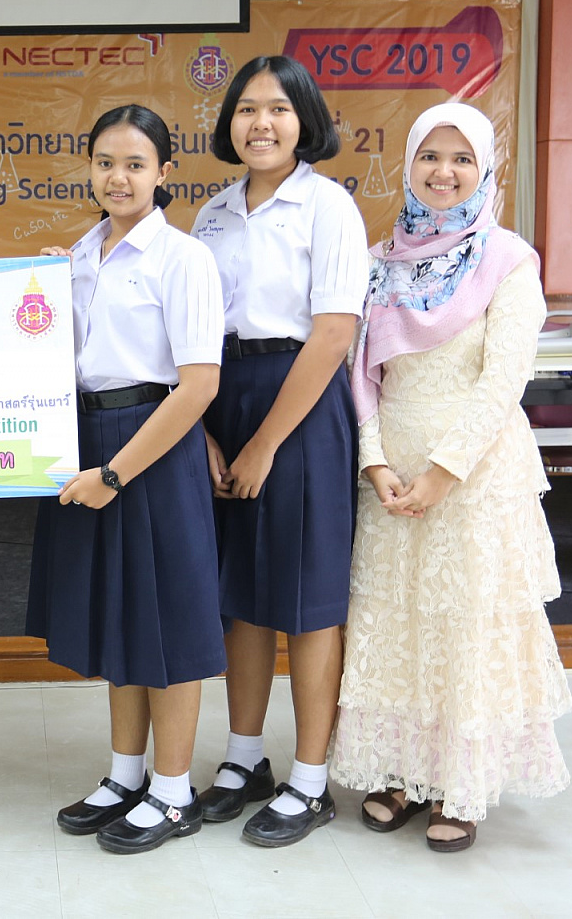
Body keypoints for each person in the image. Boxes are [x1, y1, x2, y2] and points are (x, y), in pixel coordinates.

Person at [331, 101, 570, 852]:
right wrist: (374, 460)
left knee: (462, 625)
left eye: (461, 158)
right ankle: (402, 771)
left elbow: (504, 380)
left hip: (475, 476)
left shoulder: (509, 259)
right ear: (407, 166)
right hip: (391, 471)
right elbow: (361, 373)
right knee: (398, 622)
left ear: (484, 169)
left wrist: (444, 472)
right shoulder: (379, 260)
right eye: (429, 156)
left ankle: (458, 786)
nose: (444, 171)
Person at [27, 104, 225, 855]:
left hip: (151, 446)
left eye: (136, 164)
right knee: (121, 613)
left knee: (167, 618)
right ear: (89, 168)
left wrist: (115, 473)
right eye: (105, 162)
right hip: (88, 436)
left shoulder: (183, 258)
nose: (119, 177)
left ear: (164, 172)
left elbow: (198, 386)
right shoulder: (78, 255)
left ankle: (173, 793)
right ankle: (126, 775)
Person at [190, 55, 369, 848]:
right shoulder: (211, 215)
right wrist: (204, 431)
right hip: (220, 395)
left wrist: (265, 442)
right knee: (241, 593)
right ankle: (244, 758)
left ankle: (310, 778)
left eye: (277, 108)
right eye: (246, 108)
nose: (260, 123)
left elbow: (333, 334)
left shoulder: (328, 208)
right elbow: (189, 331)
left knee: (307, 596)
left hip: (299, 399)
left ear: (305, 120)